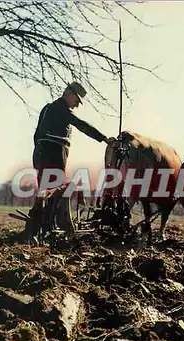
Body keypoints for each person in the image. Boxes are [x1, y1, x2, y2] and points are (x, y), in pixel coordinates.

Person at [25, 82, 115, 240]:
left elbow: (36, 136)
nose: (77, 105)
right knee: (54, 190)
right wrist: (103, 138)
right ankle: (46, 229)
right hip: (54, 153)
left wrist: (39, 155)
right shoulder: (61, 109)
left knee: (46, 191)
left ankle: (37, 227)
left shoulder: (48, 108)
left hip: (42, 152)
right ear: (69, 93)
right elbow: (80, 124)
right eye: (77, 100)